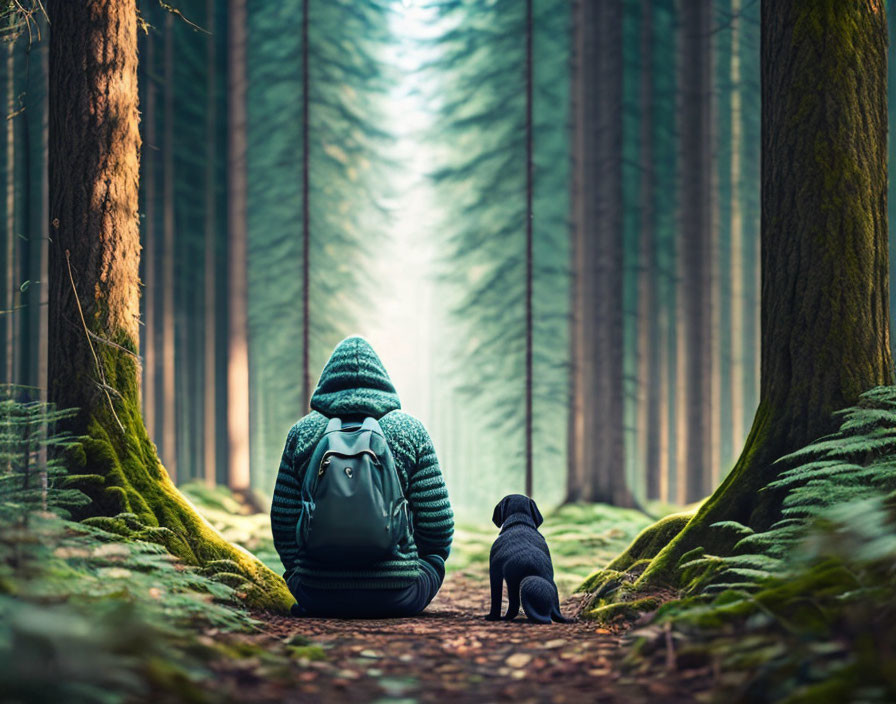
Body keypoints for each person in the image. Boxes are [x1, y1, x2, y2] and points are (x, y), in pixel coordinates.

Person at [271, 336, 454, 617]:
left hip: (317, 593)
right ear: (382, 380)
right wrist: (415, 563)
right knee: (434, 562)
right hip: (400, 595)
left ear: (327, 380)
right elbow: (437, 526)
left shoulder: (303, 432)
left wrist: (302, 574)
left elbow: (284, 522)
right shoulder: (409, 430)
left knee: (301, 575)